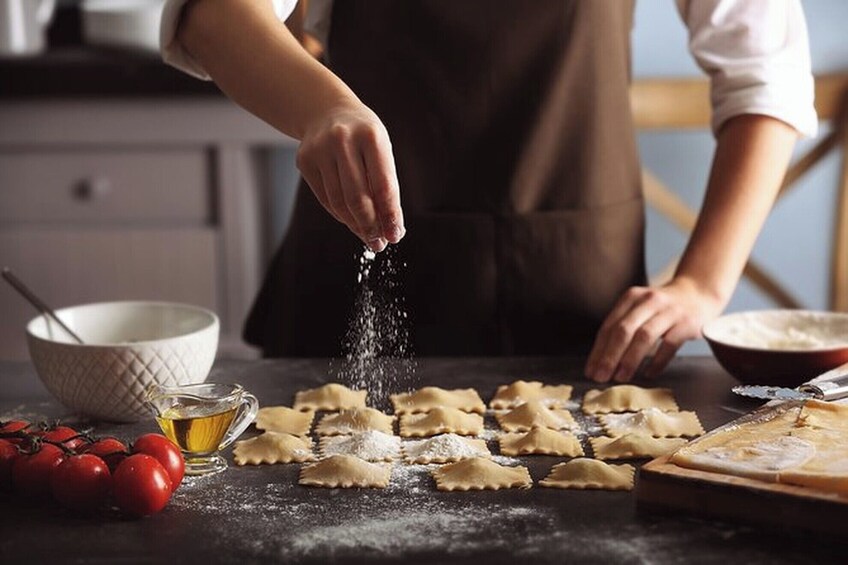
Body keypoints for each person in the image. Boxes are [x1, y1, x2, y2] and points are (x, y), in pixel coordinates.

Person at [160, 0, 816, 382]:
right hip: (351, 293)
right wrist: (322, 109)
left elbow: (767, 72)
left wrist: (703, 281)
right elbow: (211, 15)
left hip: (581, 311)